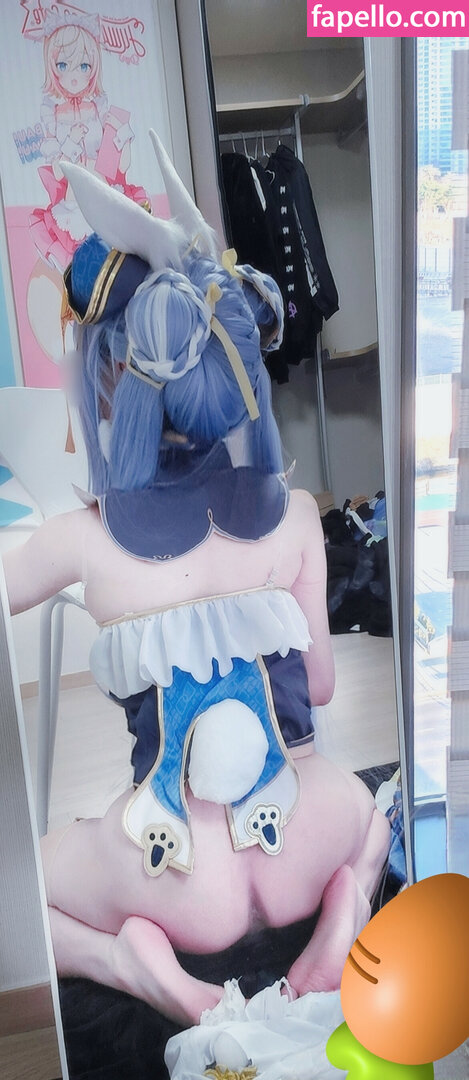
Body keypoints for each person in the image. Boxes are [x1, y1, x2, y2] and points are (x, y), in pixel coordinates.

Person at [3, 139, 390, 1028]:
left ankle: (131, 966)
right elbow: (320, 687)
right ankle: (347, 898)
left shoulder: (81, 540)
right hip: (305, 836)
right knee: (375, 813)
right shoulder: (296, 516)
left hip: (176, 871)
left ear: (112, 379)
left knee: (17, 886)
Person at [28, 9, 146, 361]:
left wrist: (121, 141)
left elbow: (117, 163)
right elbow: (57, 167)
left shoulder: (101, 108)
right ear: (52, 68)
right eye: (63, 65)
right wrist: (69, 143)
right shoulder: (52, 113)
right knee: (80, 278)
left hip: (104, 191)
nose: (75, 75)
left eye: (84, 65)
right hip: (73, 199)